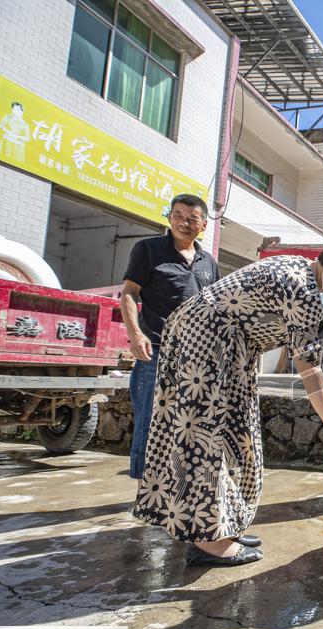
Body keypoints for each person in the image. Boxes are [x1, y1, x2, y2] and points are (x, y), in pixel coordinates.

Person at [132, 240, 323, 567]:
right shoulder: (304, 293)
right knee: (209, 436)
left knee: (238, 435)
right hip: (208, 345)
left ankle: (222, 525)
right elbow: (310, 370)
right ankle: (208, 542)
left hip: (213, 341)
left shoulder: (299, 267)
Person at [120, 194, 220, 481]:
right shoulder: (148, 249)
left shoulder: (208, 263)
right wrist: (135, 334)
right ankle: (144, 490)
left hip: (196, 358)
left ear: (203, 225)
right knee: (149, 422)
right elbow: (129, 292)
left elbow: (216, 308)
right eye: (178, 215)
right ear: (169, 217)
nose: (184, 222)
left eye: (192, 218)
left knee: (188, 424)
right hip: (157, 353)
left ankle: (173, 487)